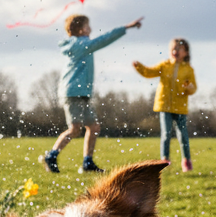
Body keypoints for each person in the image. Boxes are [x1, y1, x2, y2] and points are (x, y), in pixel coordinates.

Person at [41, 13, 143, 174]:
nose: (91, 29)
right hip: (73, 92)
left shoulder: (81, 44)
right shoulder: (82, 45)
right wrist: (126, 28)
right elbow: (104, 40)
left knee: (93, 127)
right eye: (88, 26)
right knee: (75, 129)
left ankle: (87, 162)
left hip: (82, 93)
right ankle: (51, 156)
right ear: (81, 30)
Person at [133, 37, 197, 172]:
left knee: (183, 135)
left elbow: (193, 88)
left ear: (185, 52)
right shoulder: (164, 65)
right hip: (164, 105)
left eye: (179, 49)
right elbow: (149, 72)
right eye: (173, 48)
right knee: (166, 134)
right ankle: (164, 160)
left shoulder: (188, 69)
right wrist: (139, 67)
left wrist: (188, 86)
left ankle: (186, 161)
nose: (176, 51)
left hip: (180, 107)